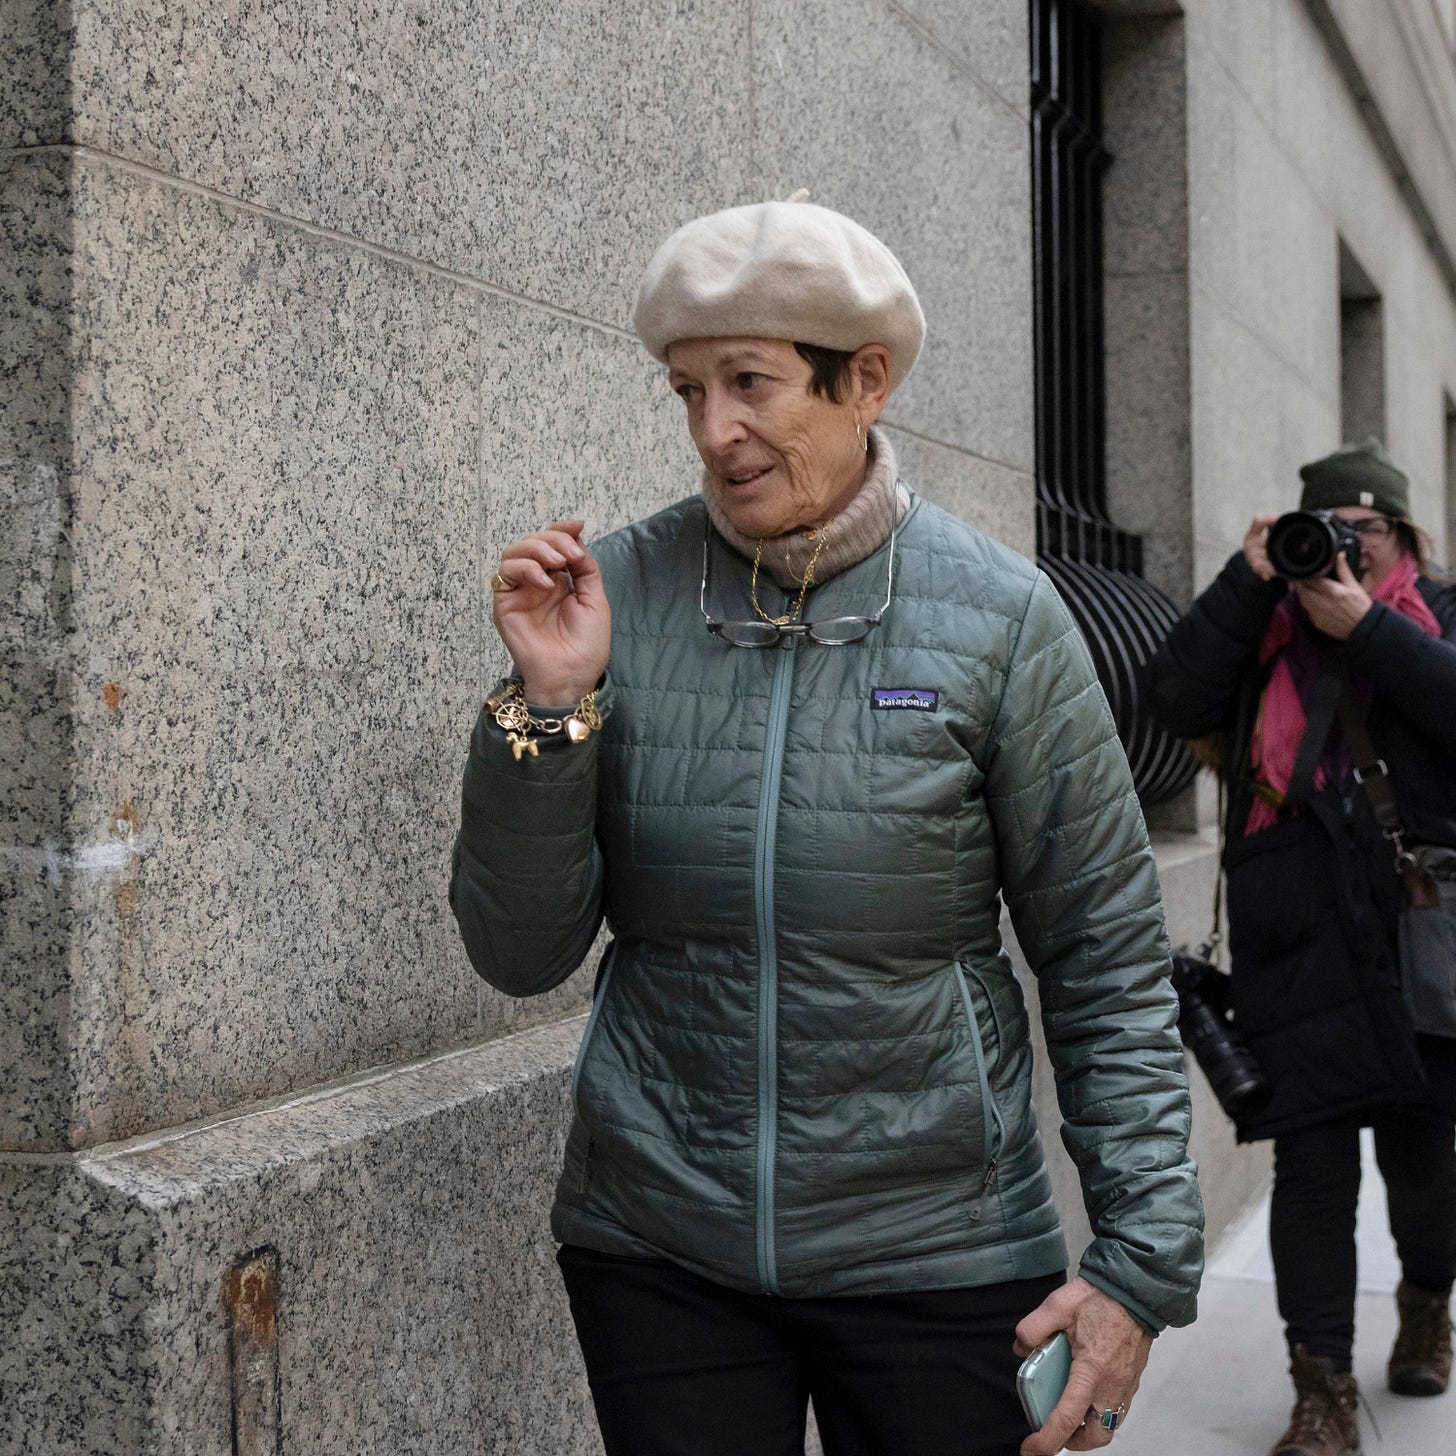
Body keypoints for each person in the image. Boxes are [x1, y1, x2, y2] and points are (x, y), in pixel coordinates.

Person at [450, 196, 1203, 1456]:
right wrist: (549, 705)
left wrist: (1139, 1262)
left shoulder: (1003, 619)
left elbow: (1106, 960)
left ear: (864, 383)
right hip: (659, 1244)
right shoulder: (614, 595)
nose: (714, 430)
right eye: (686, 391)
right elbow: (518, 951)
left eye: (748, 382)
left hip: (943, 1252)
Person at [1144, 439, 1456, 1456]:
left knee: (1426, 1164)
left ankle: (1423, 1303)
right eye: (1326, 528)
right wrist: (1246, 580)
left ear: (1403, 536)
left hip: (1418, 944)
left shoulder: (1437, 618)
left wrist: (1365, 632)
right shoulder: (1262, 627)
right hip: (1299, 943)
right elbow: (1169, 699)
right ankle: (1318, 1393)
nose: (1343, 546)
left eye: (1365, 530)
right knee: (1311, 1174)